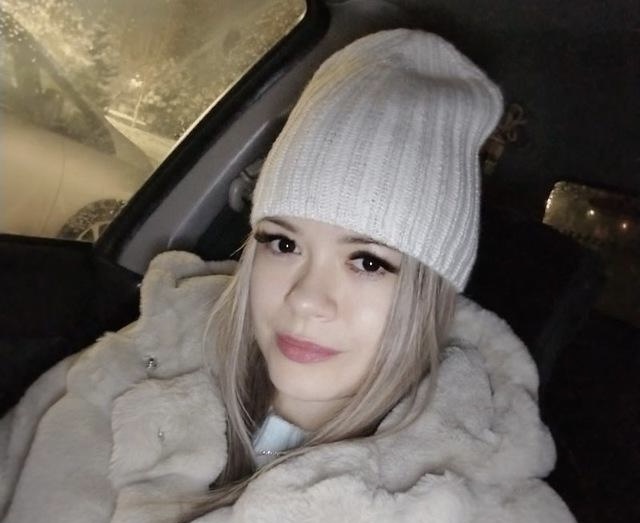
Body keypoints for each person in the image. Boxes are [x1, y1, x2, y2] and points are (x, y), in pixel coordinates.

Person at [0, 29, 575, 522]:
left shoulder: (487, 504)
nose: (306, 299)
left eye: (368, 261)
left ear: (431, 292)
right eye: (283, 243)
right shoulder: (134, 364)